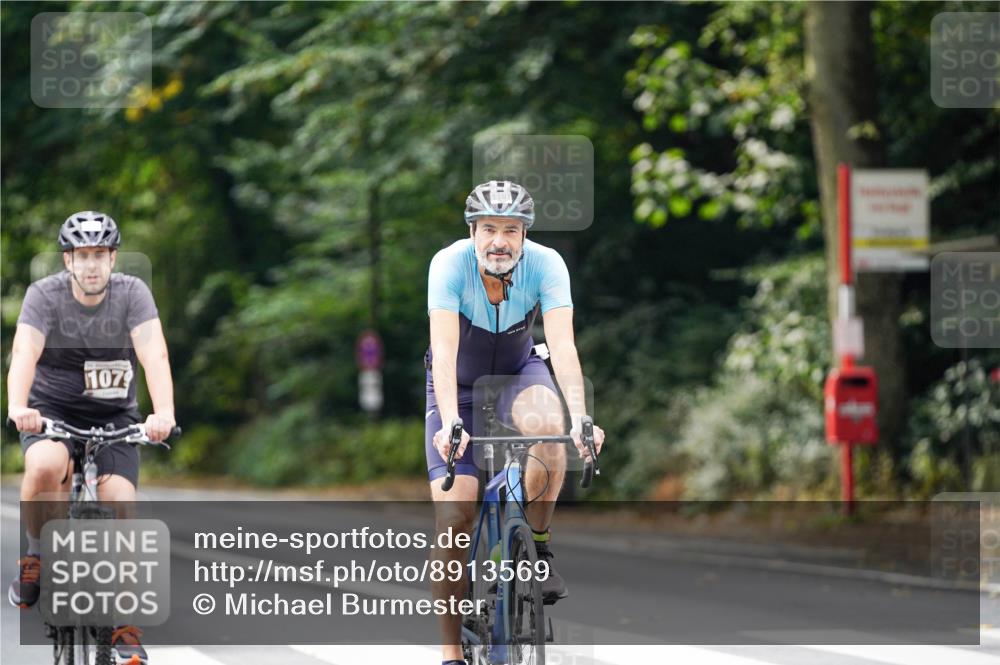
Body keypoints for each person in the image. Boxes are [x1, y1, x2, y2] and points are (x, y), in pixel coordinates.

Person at [425, 180, 605, 664]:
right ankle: (450, 655)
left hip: (519, 375)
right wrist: (448, 422)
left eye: (510, 229)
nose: (499, 240)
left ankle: (538, 548)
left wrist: (580, 417)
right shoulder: (448, 265)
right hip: (457, 390)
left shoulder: (547, 265)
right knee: (454, 522)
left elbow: (563, 347)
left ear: (525, 235)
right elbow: (443, 353)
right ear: (472, 232)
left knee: (549, 432)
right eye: (488, 229)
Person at [7, 211, 175, 665]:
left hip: (114, 418)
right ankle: (37, 556)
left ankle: (124, 625)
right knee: (43, 467)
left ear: (114, 258)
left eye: (100, 255)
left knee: (121, 500)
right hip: (53, 414)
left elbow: (152, 352)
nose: (92, 265)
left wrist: (164, 413)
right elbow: (25, 350)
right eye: (83, 256)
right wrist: (19, 407)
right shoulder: (44, 296)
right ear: (68, 261)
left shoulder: (132, 294)